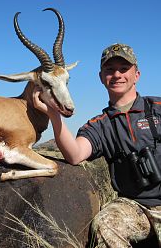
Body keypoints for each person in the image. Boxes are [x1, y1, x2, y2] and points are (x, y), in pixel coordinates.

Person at [33, 43, 161, 248]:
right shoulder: (99, 125)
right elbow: (75, 155)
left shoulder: (157, 108)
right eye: (110, 70)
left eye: (124, 69)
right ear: (101, 77)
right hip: (134, 207)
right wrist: (54, 115)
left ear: (136, 75)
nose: (117, 74)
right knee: (105, 225)